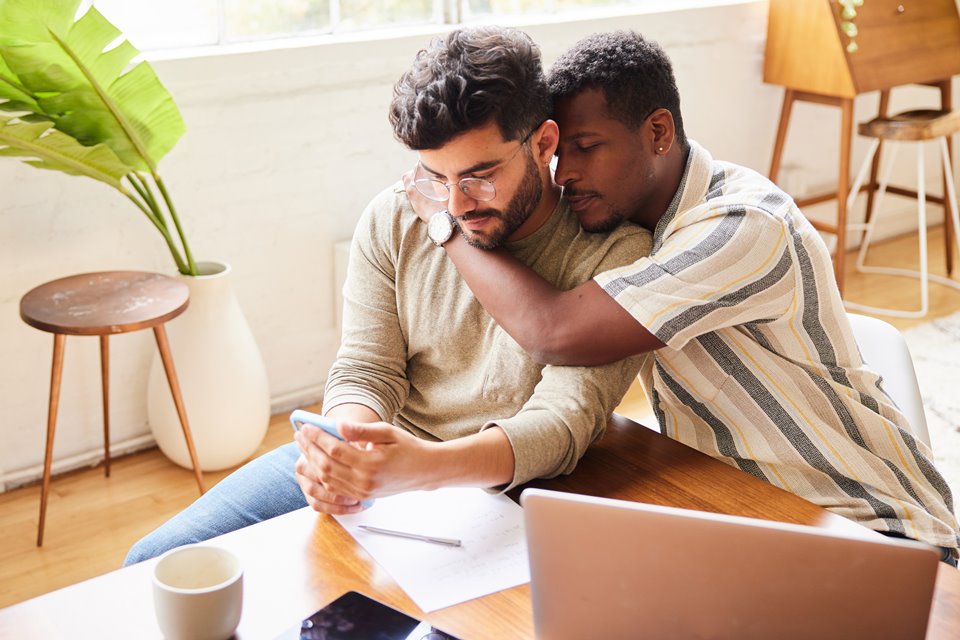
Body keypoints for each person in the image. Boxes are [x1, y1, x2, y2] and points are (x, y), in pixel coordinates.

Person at [404, 30, 960, 563]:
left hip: (880, 532)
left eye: (587, 148)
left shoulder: (744, 226)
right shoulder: (636, 232)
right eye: (558, 154)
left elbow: (555, 332)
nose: (566, 173)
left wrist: (444, 221)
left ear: (658, 132)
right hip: (749, 520)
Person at [124, 26, 650, 564]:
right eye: (434, 176)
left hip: (507, 485)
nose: (454, 203)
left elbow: (564, 424)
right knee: (152, 559)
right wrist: (349, 447)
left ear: (543, 143)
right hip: (390, 457)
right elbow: (365, 366)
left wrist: (421, 468)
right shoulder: (397, 214)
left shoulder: (616, 254)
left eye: (480, 176)